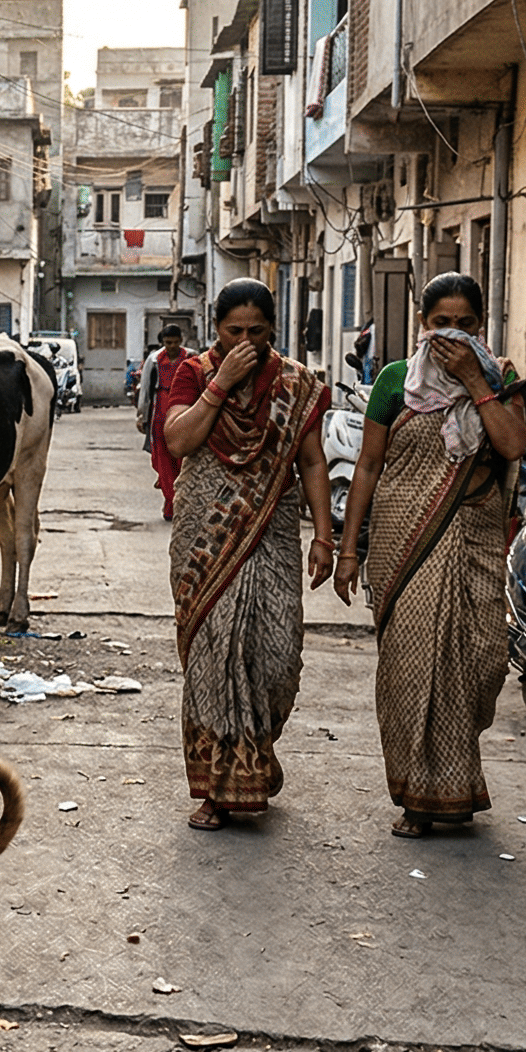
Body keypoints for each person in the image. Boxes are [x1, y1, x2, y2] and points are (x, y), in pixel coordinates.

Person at [335, 273, 526, 837]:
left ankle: (453, 780)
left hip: (475, 537)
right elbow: (368, 467)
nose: (452, 334)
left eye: (465, 324)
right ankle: (419, 798)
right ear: (422, 324)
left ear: (481, 326)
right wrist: (347, 549)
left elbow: (512, 444)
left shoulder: (500, 377)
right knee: (412, 669)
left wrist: (474, 380)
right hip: (405, 541)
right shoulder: (396, 380)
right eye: (442, 323)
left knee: (481, 661)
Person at [161, 284, 332, 830]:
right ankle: (215, 790)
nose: (245, 340)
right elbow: (178, 440)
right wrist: (221, 383)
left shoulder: (295, 384)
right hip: (205, 537)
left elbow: (312, 462)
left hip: (273, 534)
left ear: (272, 329)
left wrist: (325, 537)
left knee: (277, 659)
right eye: (234, 330)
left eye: (256, 331)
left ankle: (257, 752)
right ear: (216, 328)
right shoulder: (193, 373)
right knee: (213, 660)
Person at [136, 323, 191, 519]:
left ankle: (178, 503)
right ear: (162, 342)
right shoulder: (155, 360)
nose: (172, 346)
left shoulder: (191, 358)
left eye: (175, 342)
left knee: (183, 461)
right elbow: (146, 389)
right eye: (168, 343)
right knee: (163, 460)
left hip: (185, 411)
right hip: (160, 412)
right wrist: (142, 415)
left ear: (181, 341)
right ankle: (171, 503)